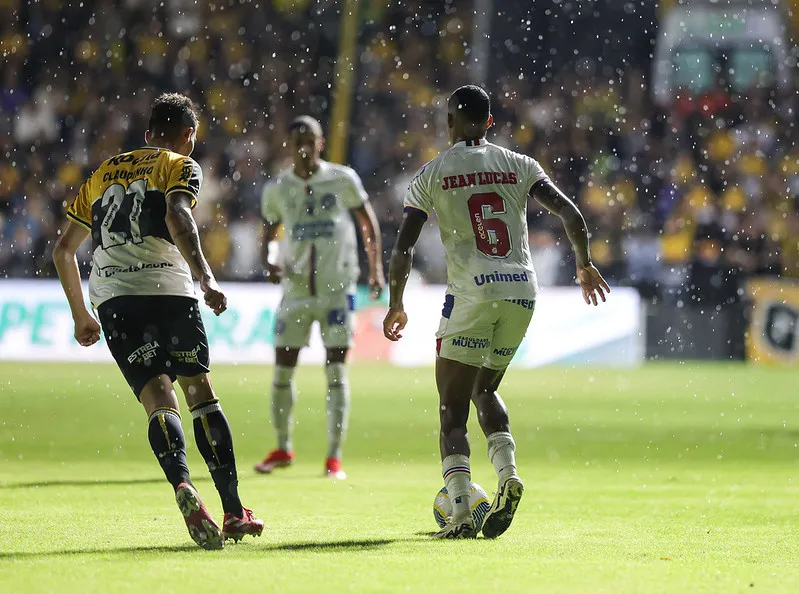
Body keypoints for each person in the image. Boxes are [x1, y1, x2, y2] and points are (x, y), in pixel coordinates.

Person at [383, 85, 610, 539]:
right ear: (490, 122)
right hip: (522, 291)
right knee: (485, 389)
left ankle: (462, 512)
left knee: (452, 408)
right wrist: (583, 264)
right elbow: (572, 216)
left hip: (470, 294)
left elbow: (404, 249)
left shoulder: (431, 174)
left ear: (450, 122)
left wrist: (396, 303)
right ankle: (508, 476)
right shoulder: (520, 164)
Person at [52, 93, 263, 550]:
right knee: (198, 392)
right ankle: (232, 510)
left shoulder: (102, 173)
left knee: (157, 397)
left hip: (113, 297)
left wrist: (80, 315)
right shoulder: (178, 165)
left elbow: (63, 249)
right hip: (167, 287)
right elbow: (177, 214)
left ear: (147, 133)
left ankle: (182, 485)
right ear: (189, 135)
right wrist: (207, 279)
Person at [254, 116, 384, 479]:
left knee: (336, 371)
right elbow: (268, 232)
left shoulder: (342, 179)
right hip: (295, 292)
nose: (304, 146)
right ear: (288, 145)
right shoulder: (278, 188)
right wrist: (270, 262)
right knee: (282, 369)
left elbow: (366, 221)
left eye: (309, 139)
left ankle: (333, 458)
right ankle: (283, 446)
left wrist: (375, 269)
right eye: (297, 139)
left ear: (320, 143)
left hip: (337, 290)